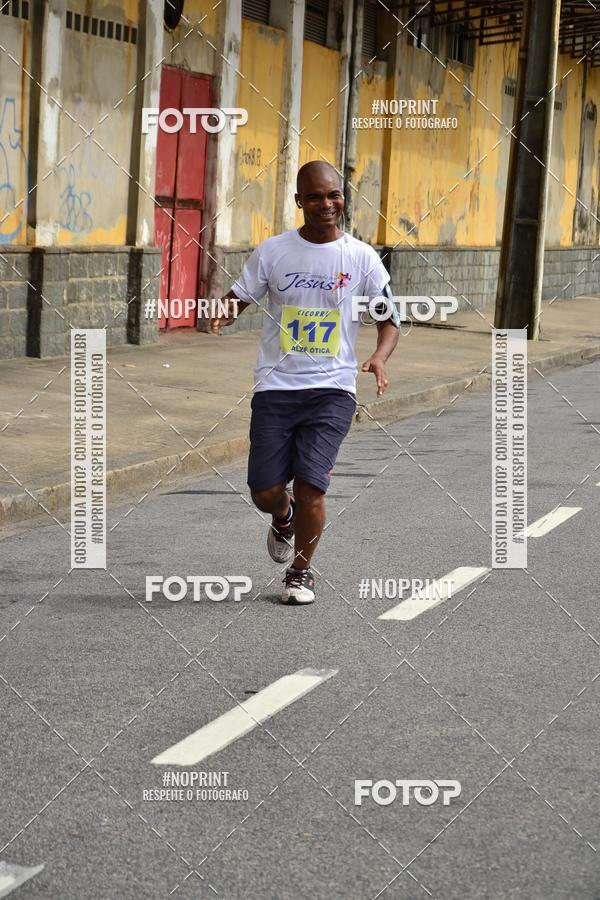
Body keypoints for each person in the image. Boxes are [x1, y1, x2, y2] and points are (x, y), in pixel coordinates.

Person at [211, 160, 399, 605]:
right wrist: (216, 314)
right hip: (276, 388)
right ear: (299, 202)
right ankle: (282, 516)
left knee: (314, 484)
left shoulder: (361, 257)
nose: (326, 204)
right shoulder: (274, 252)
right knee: (264, 491)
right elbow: (237, 298)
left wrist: (378, 356)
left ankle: (301, 572)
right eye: (314, 196)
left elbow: (389, 318)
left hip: (333, 390)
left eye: (333, 195)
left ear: (343, 198)